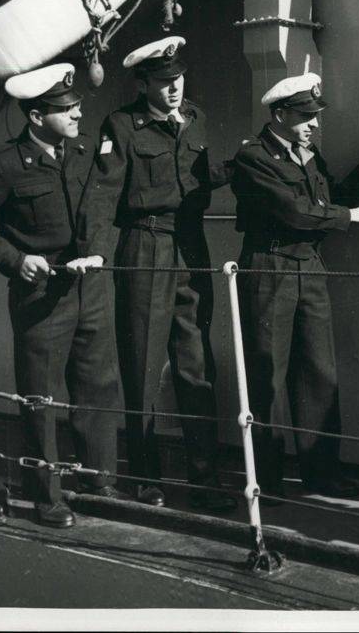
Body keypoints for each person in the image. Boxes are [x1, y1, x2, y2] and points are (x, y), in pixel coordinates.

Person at [0, 63, 125, 528]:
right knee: (40, 396)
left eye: (76, 106)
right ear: (36, 116)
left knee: (98, 385)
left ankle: (99, 480)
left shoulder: (85, 152)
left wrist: (100, 254)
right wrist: (15, 259)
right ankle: (46, 494)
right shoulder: (4, 163)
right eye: (66, 109)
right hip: (42, 295)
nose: (77, 115)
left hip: (90, 287)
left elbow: (104, 211)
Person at [69, 36, 236, 513]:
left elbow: (195, 181)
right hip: (144, 244)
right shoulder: (122, 125)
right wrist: (96, 252)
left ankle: (205, 477)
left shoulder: (196, 119)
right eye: (163, 83)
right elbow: (103, 193)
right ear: (143, 84)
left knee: (196, 363)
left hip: (190, 246)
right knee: (141, 364)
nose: (173, 89)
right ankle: (145, 478)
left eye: (177, 80)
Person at [230, 72, 359, 499]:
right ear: (279, 115)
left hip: (308, 267)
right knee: (267, 376)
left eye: (315, 115)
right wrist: (348, 218)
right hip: (270, 266)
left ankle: (322, 473)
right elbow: (293, 212)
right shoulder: (254, 157)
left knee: (319, 372)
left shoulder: (309, 156)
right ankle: (268, 481)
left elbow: (328, 202)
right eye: (304, 116)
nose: (313, 124)